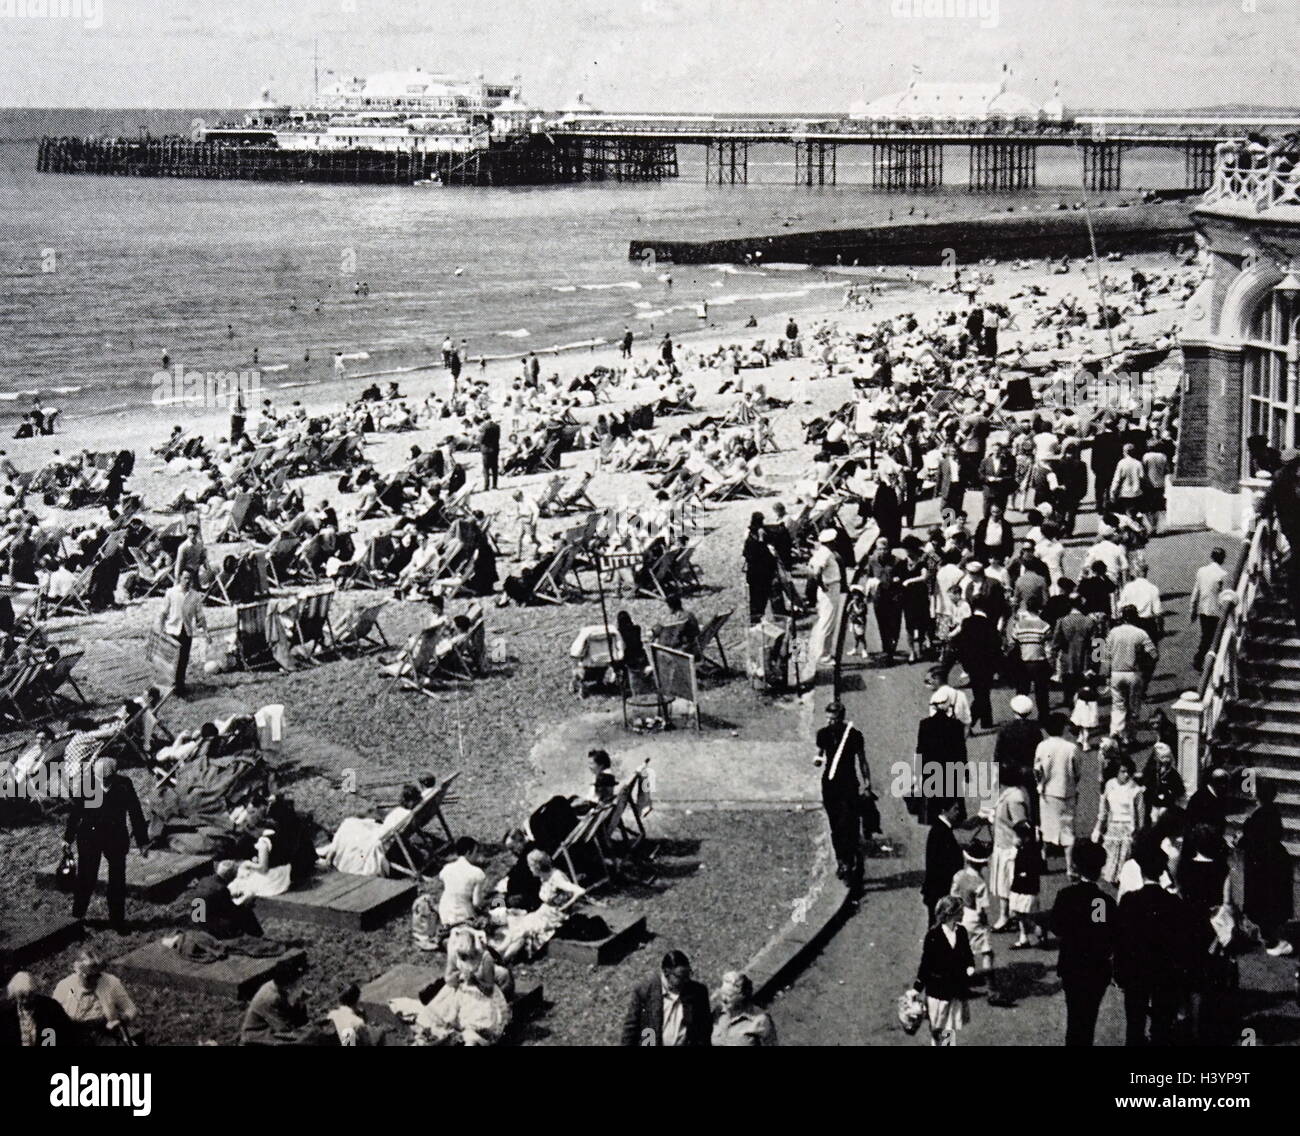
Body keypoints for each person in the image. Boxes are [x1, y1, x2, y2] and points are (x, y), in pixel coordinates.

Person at [1115, 843, 1192, 1046]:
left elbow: (1120, 940)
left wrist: (1119, 972)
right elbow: (1181, 942)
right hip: (1165, 971)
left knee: (1135, 1020)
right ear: (1163, 871)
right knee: (1163, 1021)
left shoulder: (1129, 901)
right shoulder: (1174, 903)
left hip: (1135, 970)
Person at [63, 755, 149, 932]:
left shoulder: (124, 784)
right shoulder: (88, 784)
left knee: (117, 880)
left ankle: (118, 921)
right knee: (86, 876)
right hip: (89, 836)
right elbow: (76, 813)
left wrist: (142, 841)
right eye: (100, 778)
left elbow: (135, 811)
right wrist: (67, 838)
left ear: (114, 775)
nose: (103, 781)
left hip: (115, 836)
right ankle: (77, 916)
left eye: (107, 779)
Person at [1049, 840, 1117, 1046]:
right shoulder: (1101, 901)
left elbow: (1056, 927)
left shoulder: (1066, 895)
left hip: (1072, 965)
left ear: (1076, 867)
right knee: (1089, 1019)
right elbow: (1104, 932)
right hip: (1096, 968)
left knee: (1074, 1018)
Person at [815, 701, 871, 894]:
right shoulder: (822, 734)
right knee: (836, 826)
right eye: (828, 718)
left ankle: (850, 862)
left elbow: (862, 760)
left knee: (849, 823)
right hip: (830, 784)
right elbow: (820, 754)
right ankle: (843, 861)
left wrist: (867, 783)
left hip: (849, 784)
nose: (830, 722)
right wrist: (818, 759)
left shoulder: (854, 735)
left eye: (834, 718)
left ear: (842, 718)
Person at [914, 895, 975, 1046]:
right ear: (950, 913)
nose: (963, 913)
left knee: (949, 1026)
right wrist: (917, 987)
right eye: (960, 911)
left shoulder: (961, 932)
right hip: (937, 991)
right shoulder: (933, 936)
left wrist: (970, 966)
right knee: (937, 1027)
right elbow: (926, 964)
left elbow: (967, 953)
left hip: (954, 989)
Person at [621, 950, 712, 1046]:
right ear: (666, 972)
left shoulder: (698, 992)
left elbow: (704, 1031)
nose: (686, 981)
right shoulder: (645, 990)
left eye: (688, 975)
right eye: (680, 977)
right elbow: (630, 1030)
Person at [52, 950, 139, 1045]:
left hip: (105, 1032)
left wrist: (121, 1020)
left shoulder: (110, 982)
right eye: (88, 977)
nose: (93, 980)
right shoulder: (64, 986)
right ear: (78, 972)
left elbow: (131, 1009)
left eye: (97, 975)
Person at [1034, 713, 1081, 877]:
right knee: (1067, 830)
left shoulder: (1042, 746)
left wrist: (1040, 785)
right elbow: (1077, 771)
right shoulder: (1071, 747)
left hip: (1047, 793)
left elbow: (1037, 770)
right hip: (1066, 792)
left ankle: (1043, 860)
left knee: (1047, 829)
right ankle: (1070, 867)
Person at [1103, 607, 1158, 743]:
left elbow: (1105, 655)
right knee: (1134, 707)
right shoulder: (1141, 633)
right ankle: (1130, 737)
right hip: (1134, 673)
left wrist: (1106, 674)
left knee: (1118, 705)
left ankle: (1115, 733)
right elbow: (1154, 654)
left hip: (1116, 673)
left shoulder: (1113, 632)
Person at [915, 687, 967, 825]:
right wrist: (965, 773)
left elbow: (920, 749)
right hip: (951, 767)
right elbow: (962, 750)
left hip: (930, 768)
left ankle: (933, 820)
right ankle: (953, 820)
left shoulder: (925, 724)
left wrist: (918, 772)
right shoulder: (956, 725)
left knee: (933, 799)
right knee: (951, 796)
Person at [990, 765, 1032, 931]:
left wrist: (1018, 838)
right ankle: (1007, 915)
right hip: (1003, 845)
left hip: (1010, 848)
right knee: (1003, 885)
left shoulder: (1015, 797)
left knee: (1007, 884)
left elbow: (1021, 823)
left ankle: (1007, 917)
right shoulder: (1011, 793)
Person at [1093, 756, 1145, 884]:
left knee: (1124, 860)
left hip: (1128, 829)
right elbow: (1104, 809)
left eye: (1128, 772)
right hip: (1112, 827)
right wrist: (1098, 828)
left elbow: (1140, 814)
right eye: (1122, 771)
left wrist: (1139, 834)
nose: (1126, 775)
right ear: (1116, 771)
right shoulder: (1110, 785)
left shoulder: (1136, 790)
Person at [157, 569, 207, 697]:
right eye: (185, 578)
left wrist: (205, 629)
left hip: (186, 631)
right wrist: (160, 629)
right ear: (180, 578)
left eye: (190, 579)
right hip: (172, 630)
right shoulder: (171, 593)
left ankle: (179, 686)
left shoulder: (195, 596)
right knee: (168, 660)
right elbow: (163, 612)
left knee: (183, 660)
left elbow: (200, 615)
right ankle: (164, 686)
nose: (187, 581)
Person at [952, 600, 1001, 731]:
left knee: (979, 693)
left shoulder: (966, 623)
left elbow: (960, 645)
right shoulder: (990, 624)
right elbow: (996, 646)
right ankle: (968, 723)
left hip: (971, 664)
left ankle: (986, 721)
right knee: (983, 695)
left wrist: (965, 665)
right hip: (987, 665)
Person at [191, 859, 265, 939]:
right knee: (246, 912)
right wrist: (246, 901)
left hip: (197, 918)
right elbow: (232, 911)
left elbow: (213, 897)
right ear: (231, 876)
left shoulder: (205, 880)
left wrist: (231, 896)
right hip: (208, 925)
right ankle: (258, 935)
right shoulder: (221, 889)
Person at [806, 528, 846, 669]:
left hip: (829, 588)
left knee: (825, 621)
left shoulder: (821, 552)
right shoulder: (826, 554)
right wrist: (822, 586)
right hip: (829, 589)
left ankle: (822, 652)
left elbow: (811, 567)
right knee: (827, 623)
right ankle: (823, 656)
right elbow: (816, 572)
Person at [1, 972, 74, 1047]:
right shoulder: (6, 1014)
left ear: (34, 992)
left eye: (30, 996)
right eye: (22, 997)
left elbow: (66, 1034)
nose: (26, 1001)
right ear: (14, 995)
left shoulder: (51, 1007)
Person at [922, 798, 965, 925]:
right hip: (940, 890)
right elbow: (940, 865)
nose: (958, 812)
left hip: (937, 890)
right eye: (955, 809)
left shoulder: (941, 829)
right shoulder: (941, 832)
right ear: (944, 811)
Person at [239, 970, 310, 1046]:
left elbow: (290, 1016)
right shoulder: (270, 997)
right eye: (295, 984)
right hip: (254, 1037)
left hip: (269, 1031)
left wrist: (301, 1001)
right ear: (288, 984)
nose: (296, 985)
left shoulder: (276, 987)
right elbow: (283, 1028)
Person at [711, 971, 778, 1046]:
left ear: (742, 996)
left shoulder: (760, 1020)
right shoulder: (717, 1013)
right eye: (723, 993)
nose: (724, 999)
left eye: (729, 996)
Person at [1189, 547, 1228, 670]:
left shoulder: (1201, 571)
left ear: (1211, 557)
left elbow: (1196, 592)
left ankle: (1200, 659)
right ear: (1222, 559)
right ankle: (1201, 660)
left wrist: (1193, 609)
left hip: (1203, 609)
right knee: (1212, 637)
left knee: (1206, 636)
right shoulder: (1223, 574)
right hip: (1216, 610)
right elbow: (1223, 595)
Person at [742, 511, 785, 624]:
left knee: (761, 600)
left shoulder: (754, 537)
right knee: (757, 602)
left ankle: (760, 620)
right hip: (757, 576)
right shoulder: (752, 541)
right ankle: (755, 622)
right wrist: (761, 541)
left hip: (762, 575)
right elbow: (756, 555)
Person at [438, 836, 487, 930]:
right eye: (476, 852)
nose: (477, 856)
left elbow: (442, 877)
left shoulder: (446, 868)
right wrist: (486, 902)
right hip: (463, 915)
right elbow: (477, 903)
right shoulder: (477, 873)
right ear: (468, 852)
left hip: (445, 913)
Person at [1185, 765, 1230, 840]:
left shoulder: (1219, 796)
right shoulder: (1199, 798)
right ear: (1217, 783)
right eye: (1224, 784)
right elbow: (1192, 822)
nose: (1226, 788)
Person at [1070, 670, 1101, 751]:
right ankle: (1085, 743)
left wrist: (1075, 707)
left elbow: (1075, 699)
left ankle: (1080, 738)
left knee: (1081, 725)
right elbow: (1099, 696)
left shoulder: (1080, 691)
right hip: (1089, 712)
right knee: (1086, 728)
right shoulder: (1094, 693)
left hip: (1081, 710)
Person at [478, 415, 500, 491]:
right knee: (495, 468)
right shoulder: (497, 426)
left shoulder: (484, 427)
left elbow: (481, 439)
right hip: (494, 449)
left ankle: (486, 486)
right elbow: (498, 438)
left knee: (486, 468)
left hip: (486, 449)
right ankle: (495, 485)